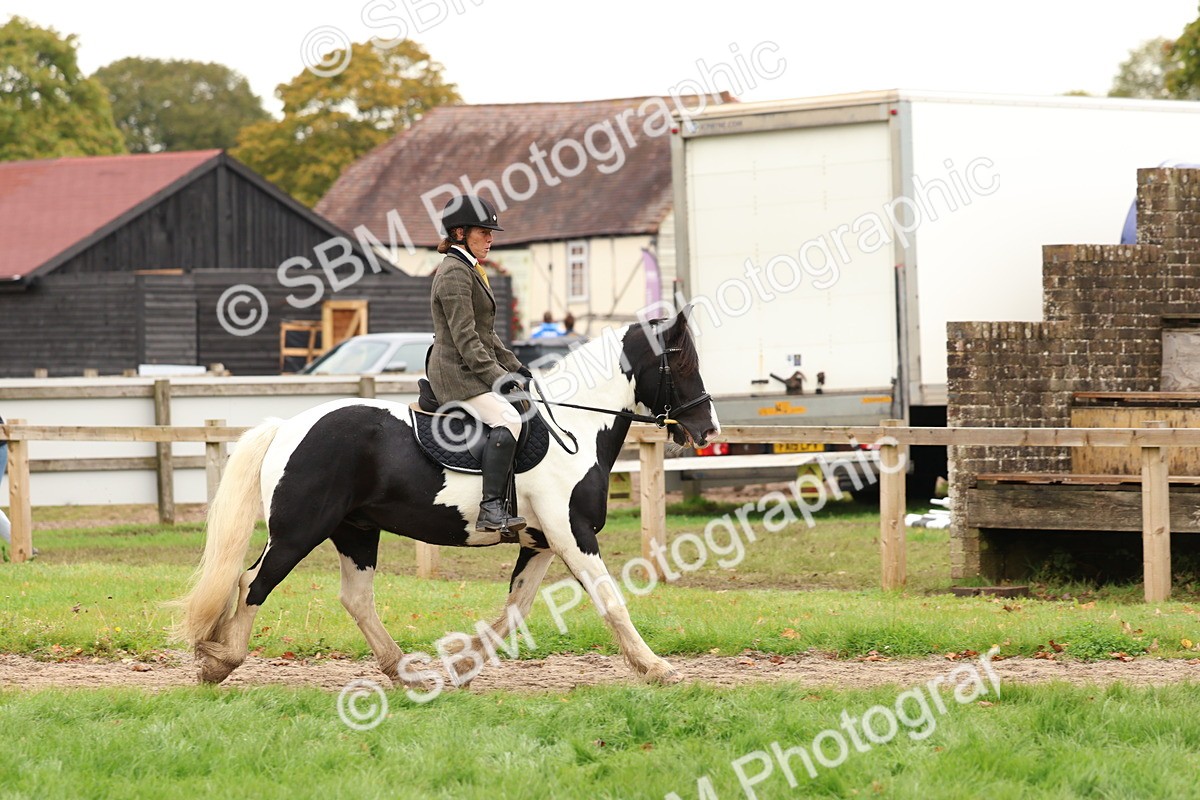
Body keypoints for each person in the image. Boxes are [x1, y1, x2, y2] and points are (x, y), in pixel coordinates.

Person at [428, 194, 530, 533]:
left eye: (491, 232)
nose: (490, 238)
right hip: (456, 373)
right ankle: (490, 509)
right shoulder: (455, 274)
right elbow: (466, 340)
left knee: (526, 405)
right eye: (483, 231)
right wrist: (498, 378)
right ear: (459, 233)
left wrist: (515, 367)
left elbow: (486, 334)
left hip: (468, 367)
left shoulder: (470, 269)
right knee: (508, 419)